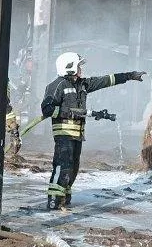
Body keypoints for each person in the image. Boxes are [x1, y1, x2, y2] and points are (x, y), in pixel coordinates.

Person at [40, 52, 144, 211]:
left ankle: (64, 198)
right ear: (70, 67)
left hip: (77, 135)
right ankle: (54, 201)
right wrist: (71, 112)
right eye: (79, 66)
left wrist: (129, 76)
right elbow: (47, 108)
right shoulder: (57, 85)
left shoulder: (82, 84)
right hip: (64, 135)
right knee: (62, 166)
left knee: (73, 167)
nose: (81, 69)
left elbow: (105, 81)